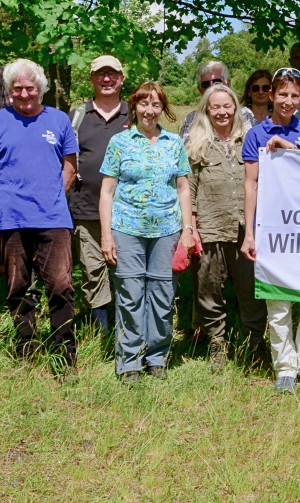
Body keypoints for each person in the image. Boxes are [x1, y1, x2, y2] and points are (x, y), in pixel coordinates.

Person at [0, 59, 78, 364]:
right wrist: (9, 198)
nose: (24, 94)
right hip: (11, 219)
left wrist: (49, 197)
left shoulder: (59, 120)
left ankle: (65, 355)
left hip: (53, 218)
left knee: (60, 285)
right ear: (9, 91)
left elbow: (70, 169)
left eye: (29, 88)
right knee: (18, 286)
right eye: (17, 88)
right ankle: (26, 353)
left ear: (41, 89)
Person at [99, 82, 194, 383]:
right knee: (130, 293)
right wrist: (106, 234)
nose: (149, 111)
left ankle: (157, 357)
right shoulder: (119, 142)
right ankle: (129, 362)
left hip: (167, 229)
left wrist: (188, 229)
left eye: (155, 105)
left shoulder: (173, 142)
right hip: (127, 227)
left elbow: (183, 189)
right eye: (144, 104)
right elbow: (106, 192)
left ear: (162, 108)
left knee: (163, 294)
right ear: (135, 106)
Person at [241, 68, 300, 392]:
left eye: (294, 95)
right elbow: (251, 185)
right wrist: (249, 233)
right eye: (283, 95)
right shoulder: (255, 134)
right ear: (271, 96)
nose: (288, 101)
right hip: (272, 229)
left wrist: (290, 148)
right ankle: (285, 369)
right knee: (277, 302)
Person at [185, 84, 268, 371]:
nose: (221, 112)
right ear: (207, 111)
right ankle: (217, 345)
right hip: (209, 228)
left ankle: (256, 346)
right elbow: (189, 190)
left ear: (235, 108)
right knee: (208, 292)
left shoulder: (250, 140)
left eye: (226, 106)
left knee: (251, 292)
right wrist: (191, 227)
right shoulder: (196, 145)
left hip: (246, 230)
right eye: (215, 107)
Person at [68, 56, 131, 335]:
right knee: (93, 272)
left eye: (112, 74)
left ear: (121, 78)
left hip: (129, 211)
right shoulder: (77, 115)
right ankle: (101, 332)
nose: (107, 79)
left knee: (126, 271)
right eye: (100, 74)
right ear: (91, 79)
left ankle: (127, 330)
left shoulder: (135, 114)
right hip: (85, 208)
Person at [180, 60, 255, 137]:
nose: (212, 87)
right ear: (200, 89)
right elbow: (185, 148)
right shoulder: (192, 119)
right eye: (206, 84)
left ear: (228, 83)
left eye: (217, 82)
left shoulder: (244, 114)